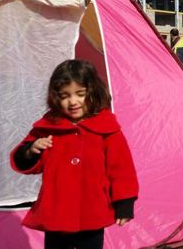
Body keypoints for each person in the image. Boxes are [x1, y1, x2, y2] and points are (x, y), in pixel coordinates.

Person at [11, 59, 139, 249]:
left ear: (93, 92)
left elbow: (122, 169)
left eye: (80, 94)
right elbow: (24, 160)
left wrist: (124, 203)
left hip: (92, 211)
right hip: (56, 213)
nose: (73, 102)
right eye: (64, 96)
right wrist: (31, 150)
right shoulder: (49, 127)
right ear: (55, 98)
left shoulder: (107, 129)